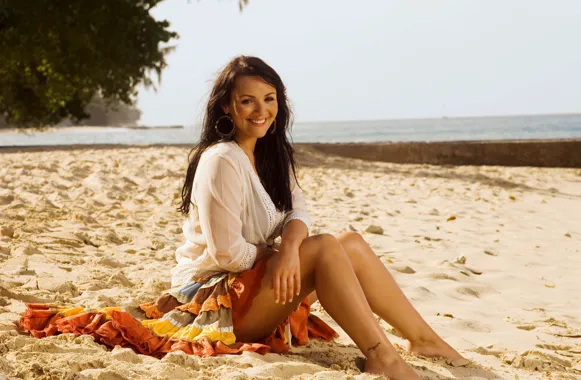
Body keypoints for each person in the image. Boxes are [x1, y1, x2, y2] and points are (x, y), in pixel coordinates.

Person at [20, 56, 465, 380]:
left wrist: (290, 248)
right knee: (326, 247)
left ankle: (422, 338)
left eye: (269, 99)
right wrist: (285, 253)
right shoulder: (221, 160)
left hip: (256, 283)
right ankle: (381, 356)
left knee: (347, 241)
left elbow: (300, 212)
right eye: (247, 101)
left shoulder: (270, 155)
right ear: (227, 109)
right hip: (214, 300)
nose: (260, 111)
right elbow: (228, 253)